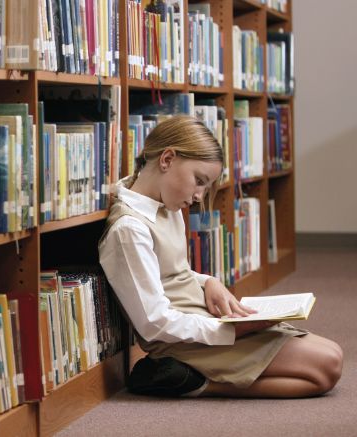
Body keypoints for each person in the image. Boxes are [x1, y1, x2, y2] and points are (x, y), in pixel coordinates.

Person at [98, 115, 343, 398]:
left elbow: (169, 272)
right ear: (167, 159)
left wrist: (207, 281)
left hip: (203, 320)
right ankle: (192, 383)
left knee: (332, 355)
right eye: (199, 181)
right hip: (185, 340)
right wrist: (230, 332)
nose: (200, 196)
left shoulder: (166, 205)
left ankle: (190, 378)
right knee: (326, 369)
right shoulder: (129, 229)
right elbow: (154, 323)